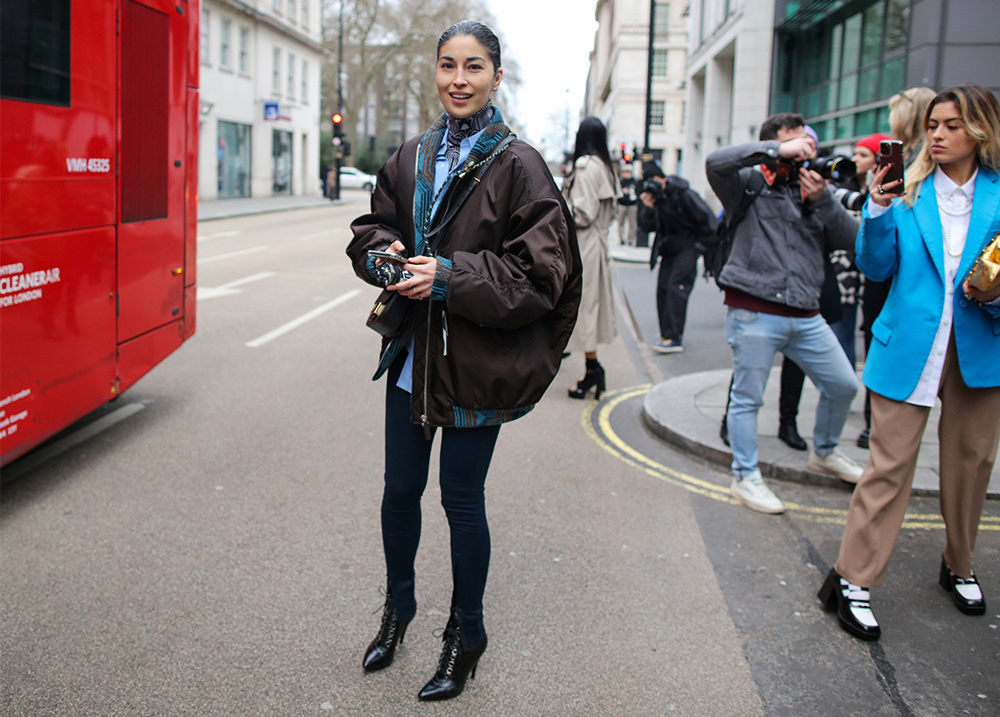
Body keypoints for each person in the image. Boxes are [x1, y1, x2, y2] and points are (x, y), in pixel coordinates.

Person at [345, 21, 581, 700]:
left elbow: (542, 277)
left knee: (461, 501)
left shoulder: (521, 165)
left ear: (496, 76)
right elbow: (373, 227)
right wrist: (383, 255)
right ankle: (398, 610)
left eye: (473, 67)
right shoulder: (411, 154)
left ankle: (465, 633)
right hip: (413, 356)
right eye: (447, 65)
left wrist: (449, 276)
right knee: (397, 492)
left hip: (478, 363)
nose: (458, 79)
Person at [819, 84, 1000, 641]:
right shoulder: (909, 189)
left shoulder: (998, 195)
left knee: (971, 465)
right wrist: (876, 205)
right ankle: (853, 579)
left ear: (980, 131)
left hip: (978, 346)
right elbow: (876, 267)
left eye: (951, 125)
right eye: (934, 125)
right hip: (908, 346)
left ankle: (959, 563)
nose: (938, 135)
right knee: (889, 466)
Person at [706, 112, 864, 515]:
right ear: (772, 147)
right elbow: (715, 162)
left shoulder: (816, 191)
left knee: (844, 384)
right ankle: (745, 476)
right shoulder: (749, 183)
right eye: (795, 146)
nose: (803, 155)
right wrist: (777, 151)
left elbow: (854, 243)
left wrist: (824, 201)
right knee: (747, 399)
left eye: (806, 146)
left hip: (807, 314)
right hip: (754, 311)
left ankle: (825, 450)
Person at [856, 88, 937, 448]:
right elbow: (874, 256)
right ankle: (875, 421)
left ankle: (874, 423)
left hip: (911, 278)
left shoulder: (927, 163)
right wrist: (875, 201)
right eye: (935, 125)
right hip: (888, 265)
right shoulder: (897, 158)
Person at [563, 117, 619, 400]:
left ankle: (591, 370)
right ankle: (591, 368)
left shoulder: (585, 167)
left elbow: (582, 213)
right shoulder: (605, 167)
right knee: (588, 308)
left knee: (582, 308)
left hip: (584, 245)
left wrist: (559, 207)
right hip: (596, 245)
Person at [639, 161, 718, 354]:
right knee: (663, 290)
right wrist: (648, 208)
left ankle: (674, 337)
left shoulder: (684, 194)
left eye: (655, 181)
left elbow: (711, 224)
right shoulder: (655, 200)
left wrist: (698, 248)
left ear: (663, 178)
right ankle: (666, 335)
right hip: (668, 251)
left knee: (677, 289)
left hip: (688, 249)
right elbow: (646, 227)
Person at [616, 165, 639, 246]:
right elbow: (616, 192)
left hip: (632, 205)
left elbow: (638, 192)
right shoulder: (620, 182)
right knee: (621, 222)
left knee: (632, 224)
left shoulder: (635, 181)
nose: (627, 174)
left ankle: (630, 239)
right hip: (622, 204)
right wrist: (622, 191)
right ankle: (621, 238)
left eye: (628, 172)